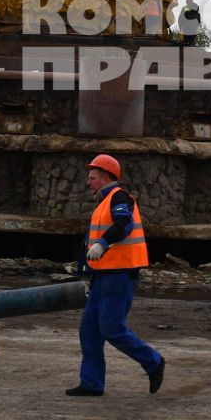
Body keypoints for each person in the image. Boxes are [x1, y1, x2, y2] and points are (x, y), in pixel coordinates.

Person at [66, 154, 164, 397]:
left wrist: (102, 245)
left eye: (92, 177)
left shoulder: (119, 197)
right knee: (89, 330)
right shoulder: (104, 201)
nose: (88, 182)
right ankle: (91, 383)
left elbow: (123, 224)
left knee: (111, 328)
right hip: (103, 276)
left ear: (106, 177)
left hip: (119, 275)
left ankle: (153, 361)